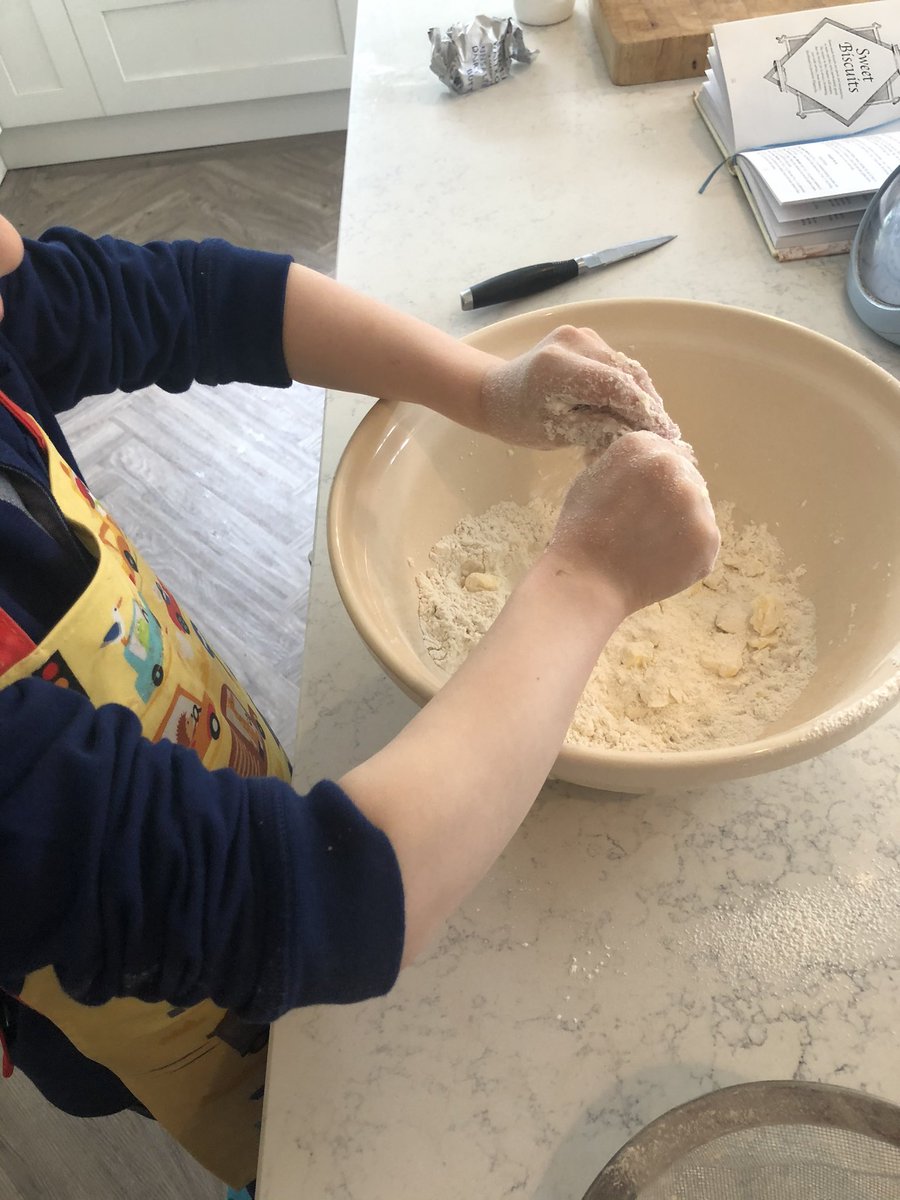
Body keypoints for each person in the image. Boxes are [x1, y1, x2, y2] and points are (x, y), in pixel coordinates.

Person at [0, 214, 719, 1197]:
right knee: (308, 1149)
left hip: (212, 803)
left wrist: (482, 385)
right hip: (162, 993)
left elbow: (194, 298)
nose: (7, 242)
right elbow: (318, 896)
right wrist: (588, 578)